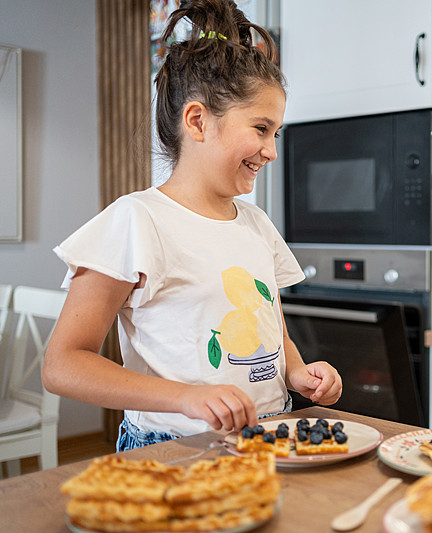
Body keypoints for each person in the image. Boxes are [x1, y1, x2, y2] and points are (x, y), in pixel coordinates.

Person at [43, 0, 342, 451]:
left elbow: (271, 330)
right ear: (198, 121)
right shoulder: (136, 221)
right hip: (170, 450)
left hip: (270, 440)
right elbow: (63, 365)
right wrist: (186, 398)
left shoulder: (258, 225)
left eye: (275, 133)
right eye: (261, 128)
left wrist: (297, 371)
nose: (271, 151)